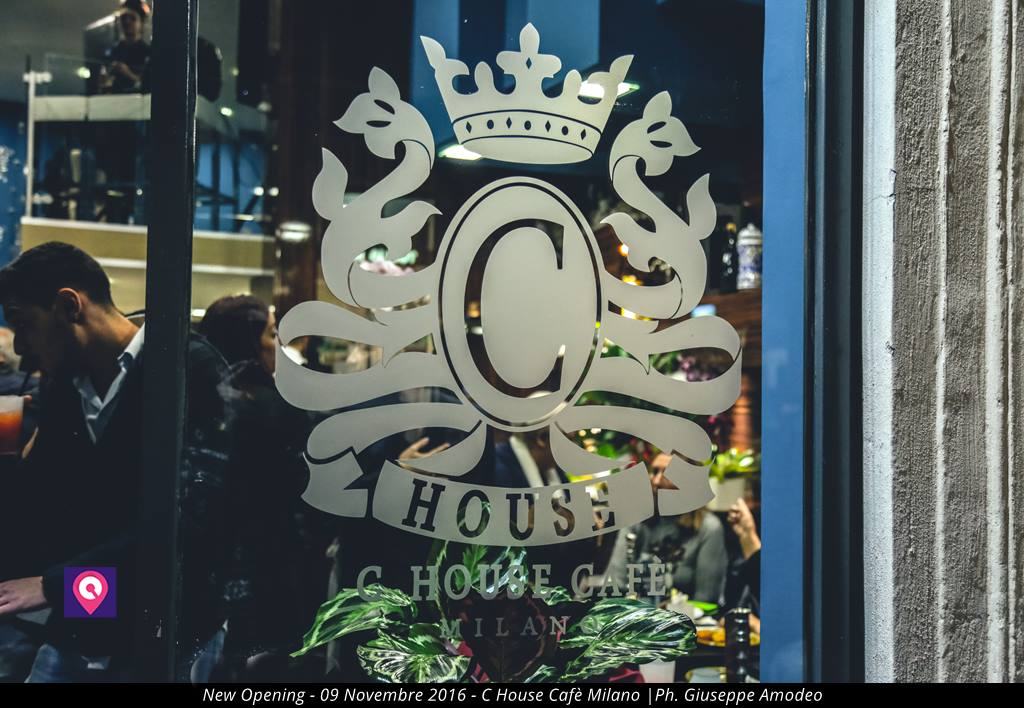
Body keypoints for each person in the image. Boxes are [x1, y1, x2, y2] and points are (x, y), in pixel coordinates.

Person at [0, 242, 229, 682]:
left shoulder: (188, 369)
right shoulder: (65, 385)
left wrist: (55, 585)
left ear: (69, 305)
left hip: (170, 627)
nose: (22, 348)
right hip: (88, 614)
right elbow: (46, 507)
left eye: (23, 324)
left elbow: (194, 521)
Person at [197, 295, 324, 681]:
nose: (278, 346)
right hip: (266, 570)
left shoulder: (201, 400)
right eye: (271, 334)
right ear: (247, 342)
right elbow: (305, 487)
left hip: (215, 575)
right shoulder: (271, 408)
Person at [100, 1, 152, 95]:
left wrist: (128, 73)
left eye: (132, 18)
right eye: (123, 18)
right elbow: (103, 84)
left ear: (141, 23)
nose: (127, 22)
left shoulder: (148, 53)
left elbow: (147, 86)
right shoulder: (112, 52)